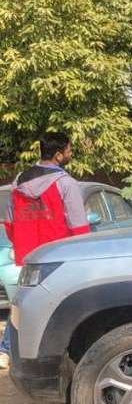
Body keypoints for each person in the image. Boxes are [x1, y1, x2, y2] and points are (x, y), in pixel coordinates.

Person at [0, 132, 90, 367]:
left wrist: (23, 245)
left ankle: (7, 349)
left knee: (25, 303)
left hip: (30, 256)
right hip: (59, 255)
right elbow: (79, 227)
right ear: (58, 155)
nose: (71, 154)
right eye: (69, 150)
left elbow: (9, 222)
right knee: (64, 304)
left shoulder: (19, 181)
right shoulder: (66, 183)